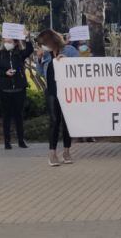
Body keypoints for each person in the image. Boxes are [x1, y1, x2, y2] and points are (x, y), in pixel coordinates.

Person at [36, 29, 80, 167]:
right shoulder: (46, 54)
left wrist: (66, 62)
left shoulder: (69, 50)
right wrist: (38, 59)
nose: (42, 46)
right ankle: (52, 154)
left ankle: (67, 151)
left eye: (44, 43)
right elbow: (41, 72)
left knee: (67, 122)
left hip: (67, 92)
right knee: (54, 121)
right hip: (52, 92)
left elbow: (80, 66)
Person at [0, 35, 35, 149]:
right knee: (6, 116)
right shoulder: (0, 54)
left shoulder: (19, 54)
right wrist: (5, 73)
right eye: (6, 41)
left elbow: (29, 50)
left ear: (15, 43)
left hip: (19, 89)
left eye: (10, 41)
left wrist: (27, 38)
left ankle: (21, 140)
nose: (7, 43)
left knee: (18, 115)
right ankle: (7, 142)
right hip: (4, 90)